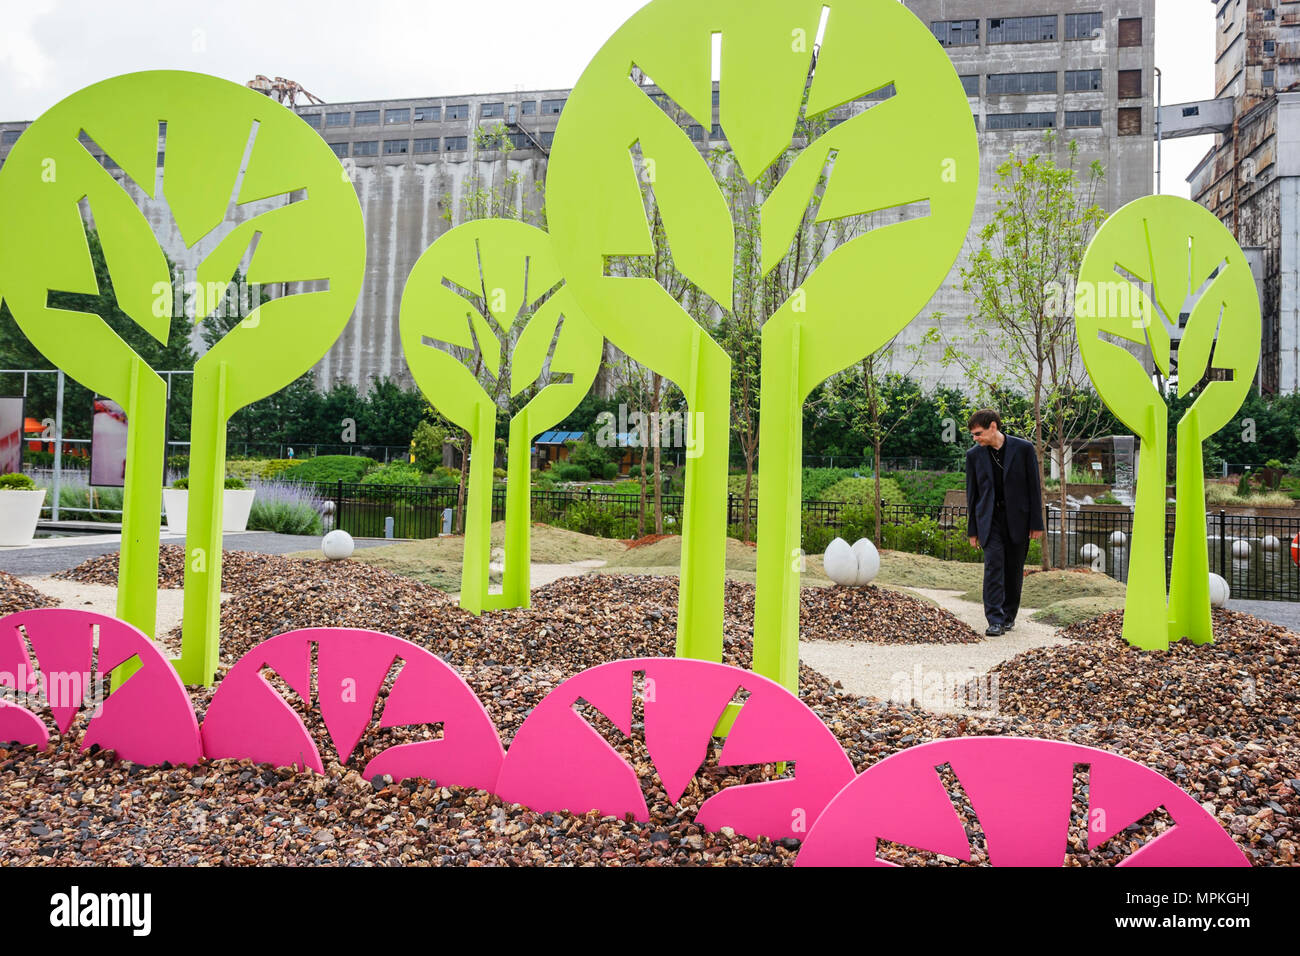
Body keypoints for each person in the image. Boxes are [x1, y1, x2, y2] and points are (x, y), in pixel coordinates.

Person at [965, 409, 1044, 636]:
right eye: (973, 435)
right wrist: (973, 530)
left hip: (1018, 519)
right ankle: (995, 620)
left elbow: (1034, 489)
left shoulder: (1024, 449)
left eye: (978, 433)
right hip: (989, 521)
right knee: (993, 567)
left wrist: (1036, 524)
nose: (975, 438)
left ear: (993, 427)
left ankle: (1009, 616)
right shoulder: (974, 456)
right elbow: (972, 496)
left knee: (1013, 569)